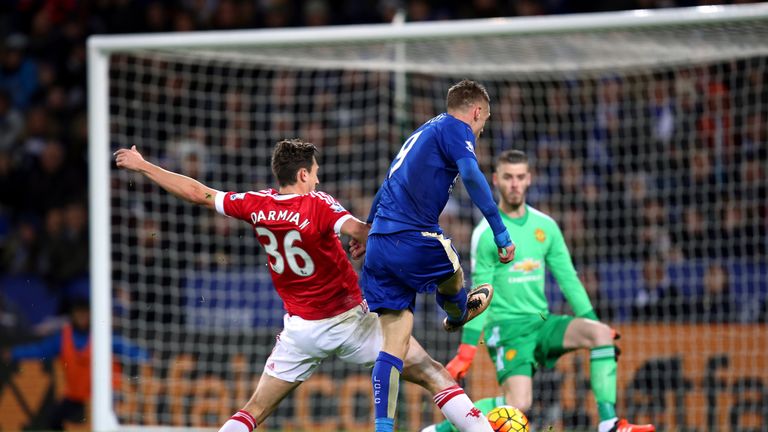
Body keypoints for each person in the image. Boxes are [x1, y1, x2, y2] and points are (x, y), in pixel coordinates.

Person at [115, 139, 490, 432]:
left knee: (254, 410)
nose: (318, 179)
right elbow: (364, 231)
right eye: (315, 173)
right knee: (432, 372)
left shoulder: (255, 204)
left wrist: (144, 165)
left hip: (301, 331)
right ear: (302, 176)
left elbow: (200, 193)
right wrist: (367, 239)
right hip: (352, 321)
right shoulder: (318, 204)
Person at [433, 150, 654, 432]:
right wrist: (466, 351)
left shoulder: (546, 226)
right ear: (496, 180)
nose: (515, 184)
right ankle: (439, 431)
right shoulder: (486, 233)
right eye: (508, 177)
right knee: (518, 406)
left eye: (521, 177)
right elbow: (478, 297)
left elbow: (569, 280)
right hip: (508, 328)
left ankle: (609, 423)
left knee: (600, 334)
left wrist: (594, 320)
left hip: (541, 321)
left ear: (529, 180)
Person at [363, 79, 516, 432]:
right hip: (412, 235)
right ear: (476, 112)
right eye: (482, 124)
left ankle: (383, 428)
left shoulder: (423, 132)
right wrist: (500, 229)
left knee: (394, 344)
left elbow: (388, 183)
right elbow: (472, 175)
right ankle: (458, 310)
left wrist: (369, 228)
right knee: (454, 270)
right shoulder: (454, 127)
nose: (478, 132)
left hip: (380, 245)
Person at [5, 296, 150, 430]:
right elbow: (40, 350)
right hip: (77, 393)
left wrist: (146, 356)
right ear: (73, 315)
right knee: (54, 420)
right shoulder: (64, 337)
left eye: (85, 314)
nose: (82, 318)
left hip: (105, 393)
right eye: (78, 314)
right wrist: (14, 353)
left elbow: (126, 348)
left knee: (111, 421)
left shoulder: (102, 334)